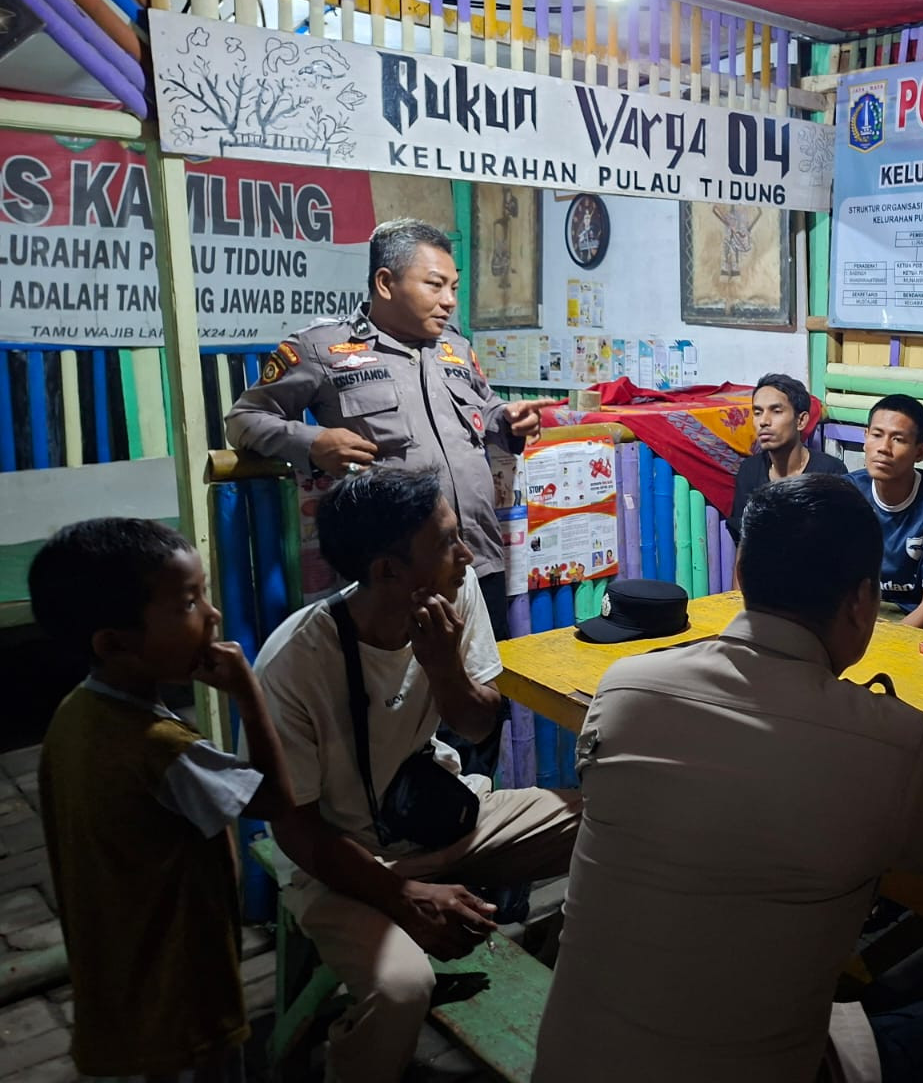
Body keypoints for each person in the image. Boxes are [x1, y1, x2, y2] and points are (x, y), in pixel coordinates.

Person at [534, 474, 923, 1083]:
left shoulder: (626, 687)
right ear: (863, 601)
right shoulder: (892, 740)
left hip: (572, 1062)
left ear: (739, 576)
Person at [253, 467, 580, 1083]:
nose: (466, 555)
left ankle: (563, 980)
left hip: (440, 821)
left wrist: (443, 667)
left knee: (605, 824)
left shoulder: (451, 598)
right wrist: (402, 896)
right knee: (402, 991)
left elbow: (481, 727)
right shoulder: (295, 663)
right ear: (386, 571)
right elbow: (294, 829)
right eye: (447, 542)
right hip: (341, 863)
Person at [29, 518, 293, 1080]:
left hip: (120, 976)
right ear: (115, 643)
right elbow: (276, 798)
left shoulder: (75, 714)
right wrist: (249, 694)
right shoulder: (160, 747)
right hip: (183, 985)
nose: (213, 616)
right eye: (190, 602)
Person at [225, 217, 552, 641]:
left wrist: (509, 419)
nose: (449, 300)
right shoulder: (323, 349)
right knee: (396, 696)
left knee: (484, 695)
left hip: (475, 558)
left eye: (454, 287)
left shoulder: (456, 348)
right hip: (392, 573)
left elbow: (486, 413)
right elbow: (244, 419)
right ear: (385, 282)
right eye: (435, 285)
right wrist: (312, 442)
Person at [848, 394, 923, 630]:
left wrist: (880, 646)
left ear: (920, 451)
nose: (884, 448)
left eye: (898, 439)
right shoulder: (845, 493)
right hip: (854, 616)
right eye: (876, 435)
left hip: (912, 624)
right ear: (865, 439)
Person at [728, 371, 846, 540]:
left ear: (801, 421)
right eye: (758, 412)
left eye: (776, 411)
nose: (764, 421)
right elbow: (743, 540)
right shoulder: (750, 472)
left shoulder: (830, 473)